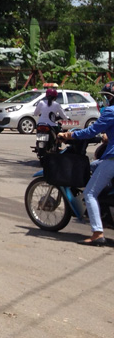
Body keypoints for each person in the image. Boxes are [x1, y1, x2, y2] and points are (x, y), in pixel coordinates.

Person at [58, 102, 114, 245]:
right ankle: (105, 210)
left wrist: (69, 135)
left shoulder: (110, 111)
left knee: (90, 193)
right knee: (95, 165)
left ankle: (97, 233)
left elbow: (90, 131)